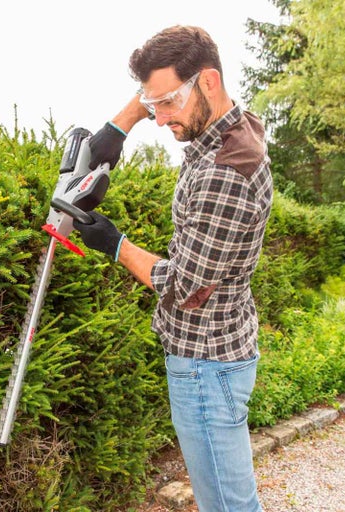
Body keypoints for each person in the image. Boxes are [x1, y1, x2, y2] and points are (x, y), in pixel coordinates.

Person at [72, 25, 273, 512]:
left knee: (227, 504)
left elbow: (184, 284)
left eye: (167, 105)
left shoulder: (226, 173)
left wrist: (114, 243)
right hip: (221, 350)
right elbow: (160, 92)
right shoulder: (230, 124)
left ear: (208, 82)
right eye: (152, 103)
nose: (160, 119)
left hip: (206, 364)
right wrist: (120, 126)